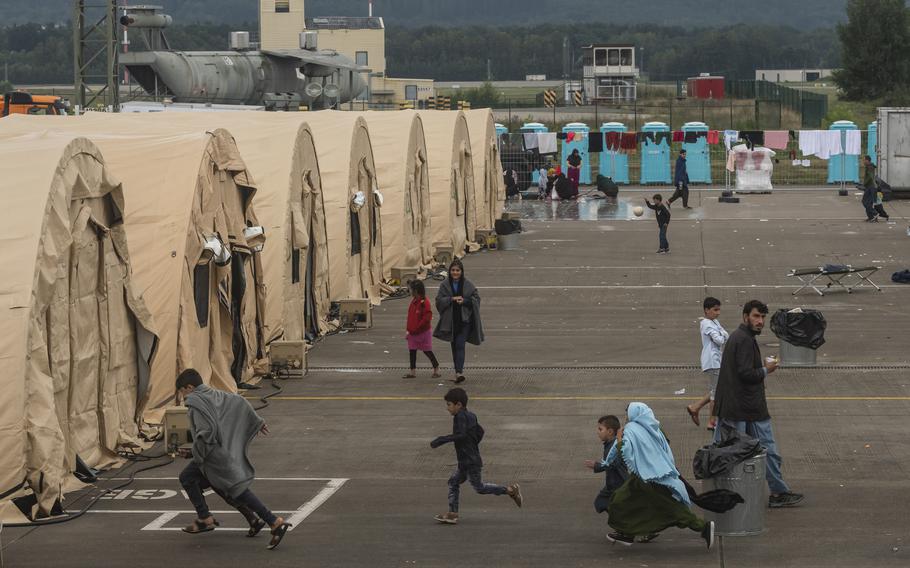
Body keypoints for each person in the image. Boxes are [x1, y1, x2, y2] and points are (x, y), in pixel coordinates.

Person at [175, 369, 291, 550]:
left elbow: (206, 434)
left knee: (236, 489)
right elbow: (239, 401)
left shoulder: (195, 402)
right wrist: (257, 421)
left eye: (182, 391)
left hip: (213, 457)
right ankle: (245, 519)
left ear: (189, 387)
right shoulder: (214, 393)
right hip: (221, 453)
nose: (182, 396)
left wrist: (194, 453)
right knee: (210, 483)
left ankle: (274, 521)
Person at [713, 300, 804, 508]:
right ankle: (729, 493)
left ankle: (777, 491)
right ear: (745, 316)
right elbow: (745, 374)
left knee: (762, 451)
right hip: (742, 408)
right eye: (756, 316)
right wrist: (766, 370)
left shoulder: (743, 337)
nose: (760, 321)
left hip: (746, 407)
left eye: (762, 317)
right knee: (743, 452)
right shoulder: (743, 339)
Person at [603, 403, 714, 549]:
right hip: (653, 474)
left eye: (627, 413)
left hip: (649, 478)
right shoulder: (654, 428)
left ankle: (703, 527)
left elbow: (626, 454)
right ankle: (626, 533)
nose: (626, 417)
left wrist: (618, 442)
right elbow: (665, 446)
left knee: (671, 508)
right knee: (622, 501)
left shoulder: (631, 430)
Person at [430, 388, 522, 524]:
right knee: (454, 482)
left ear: (459, 405)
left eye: (449, 405)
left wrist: (441, 440)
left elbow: (461, 435)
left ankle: (510, 490)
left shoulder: (459, 416)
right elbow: (480, 431)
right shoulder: (471, 415)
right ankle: (452, 514)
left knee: (479, 487)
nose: (447, 408)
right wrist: (472, 445)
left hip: (469, 461)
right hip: (468, 459)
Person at [433, 259, 484, 384]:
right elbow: (439, 301)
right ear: (449, 271)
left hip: (464, 321)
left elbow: (476, 299)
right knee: (454, 346)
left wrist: (465, 301)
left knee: (460, 345)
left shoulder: (468, 284)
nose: (455, 273)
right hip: (451, 321)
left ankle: (459, 372)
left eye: (458, 270)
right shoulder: (445, 285)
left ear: (462, 272)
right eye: (453, 270)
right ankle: (457, 371)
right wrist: (451, 299)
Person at [687, 297, 728, 430]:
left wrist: (721, 334)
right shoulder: (706, 324)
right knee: (716, 392)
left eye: (719, 309)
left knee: (717, 389)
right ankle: (711, 421)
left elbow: (725, 335)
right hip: (712, 361)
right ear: (706, 310)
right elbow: (721, 340)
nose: (718, 313)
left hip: (717, 360)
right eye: (715, 310)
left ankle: (695, 407)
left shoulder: (714, 321)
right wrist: (721, 334)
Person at [403, 279, 441, 379]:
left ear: (416, 291)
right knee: (412, 351)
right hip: (413, 332)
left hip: (423, 332)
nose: (409, 291)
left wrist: (417, 327)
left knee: (427, 350)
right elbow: (410, 317)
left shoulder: (425, 302)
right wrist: (409, 329)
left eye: (410, 289)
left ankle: (436, 368)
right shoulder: (414, 302)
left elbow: (427, 318)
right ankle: (412, 372)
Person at [862, 155, 878, 222]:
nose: (863, 161)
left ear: (867, 160)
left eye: (864, 160)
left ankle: (875, 213)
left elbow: (870, 176)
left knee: (865, 201)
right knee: (869, 202)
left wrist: (864, 183)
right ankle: (871, 217)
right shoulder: (869, 166)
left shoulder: (870, 167)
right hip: (869, 186)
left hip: (871, 187)